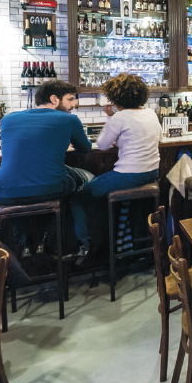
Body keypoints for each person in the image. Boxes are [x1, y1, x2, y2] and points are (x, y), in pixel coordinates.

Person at [0, 80, 92, 259]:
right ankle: (64, 242)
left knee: (28, 183)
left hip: (3, 192)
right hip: (51, 189)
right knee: (86, 180)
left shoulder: (7, 119)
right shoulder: (69, 119)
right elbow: (85, 148)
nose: (73, 105)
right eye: (70, 100)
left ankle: (22, 240)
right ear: (54, 99)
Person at [71, 74, 161, 263]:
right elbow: (155, 137)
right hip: (152, 173)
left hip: (129, 176)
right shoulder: (151, 113)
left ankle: (89, 245)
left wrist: (113, 119)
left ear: (116, 98)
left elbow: (102, 145)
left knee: (80, 196)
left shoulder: (120, 118)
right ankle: (128, 245)